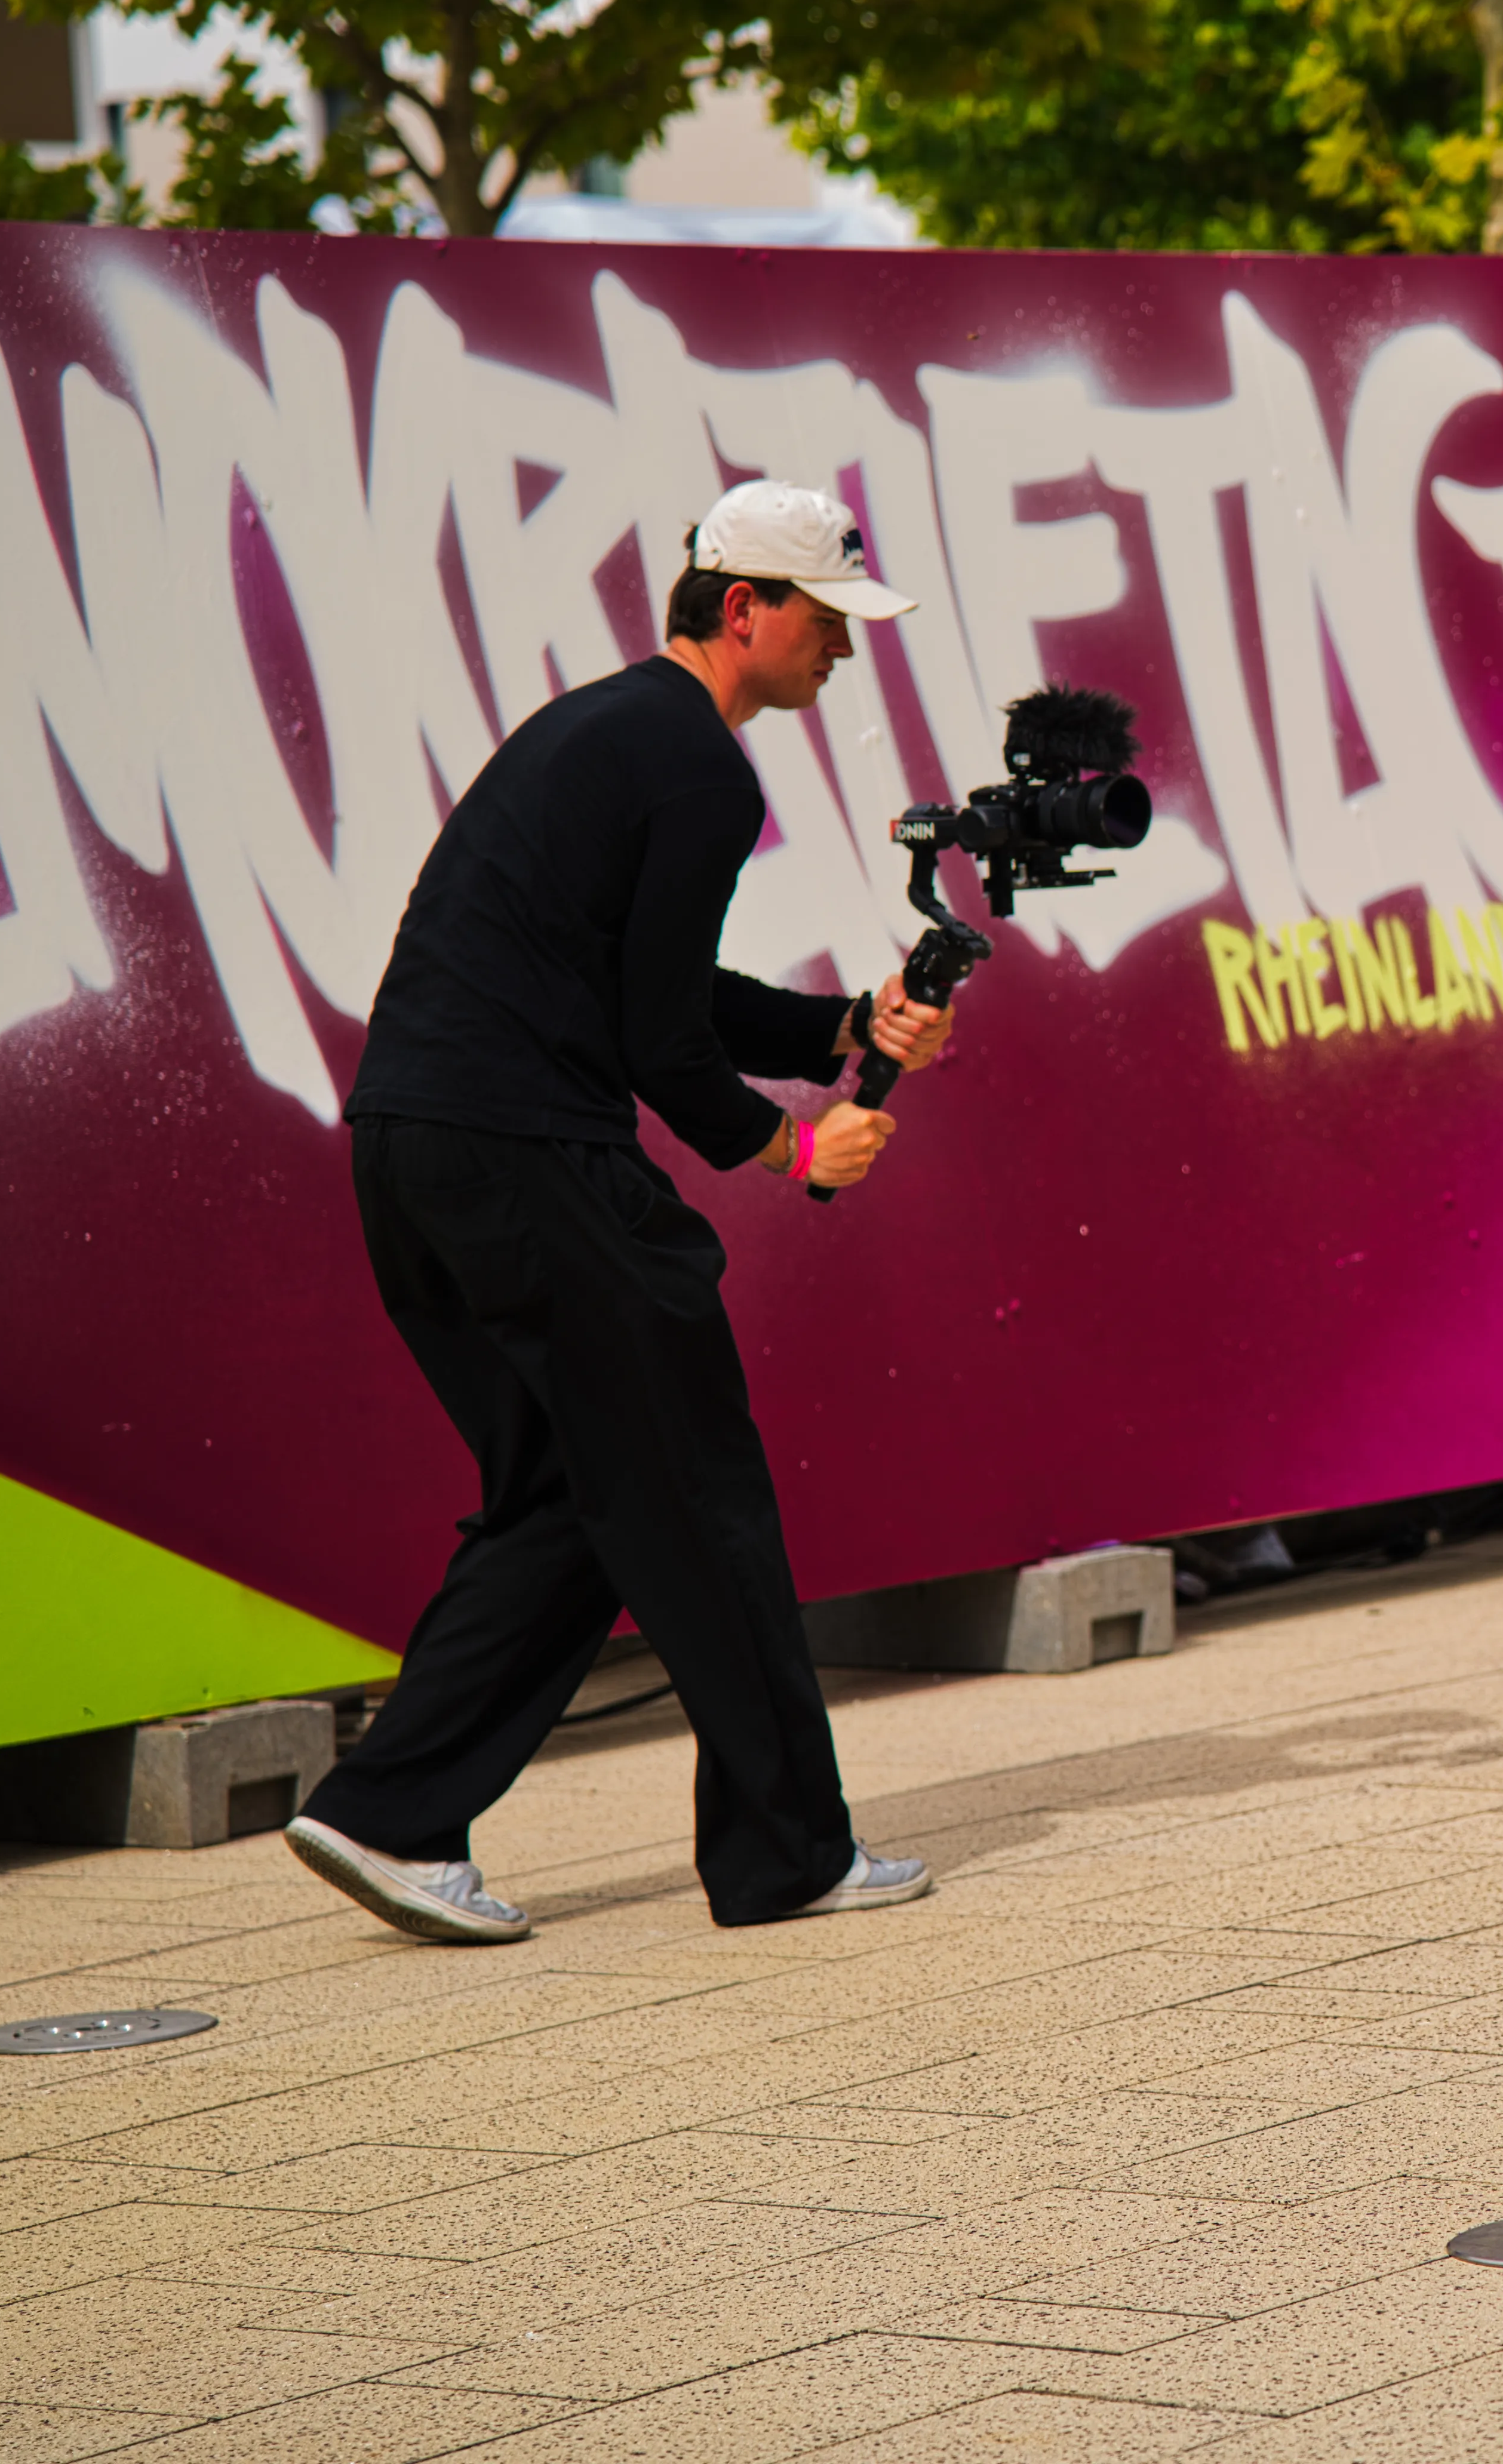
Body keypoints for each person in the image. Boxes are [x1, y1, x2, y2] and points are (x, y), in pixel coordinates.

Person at [285, 479, 951, 1944]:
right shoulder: (703, 768)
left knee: (577, 1496)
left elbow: (644, 986)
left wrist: (843, 1017)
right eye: (827, 621)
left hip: (411, 1150)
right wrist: (791, 1150)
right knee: (698, 1488)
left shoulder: (600, 728)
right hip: (532, 1164)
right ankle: (789, 1854)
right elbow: (659, 1040)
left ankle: (388, 1811)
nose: (844, 652)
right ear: (744, 610)